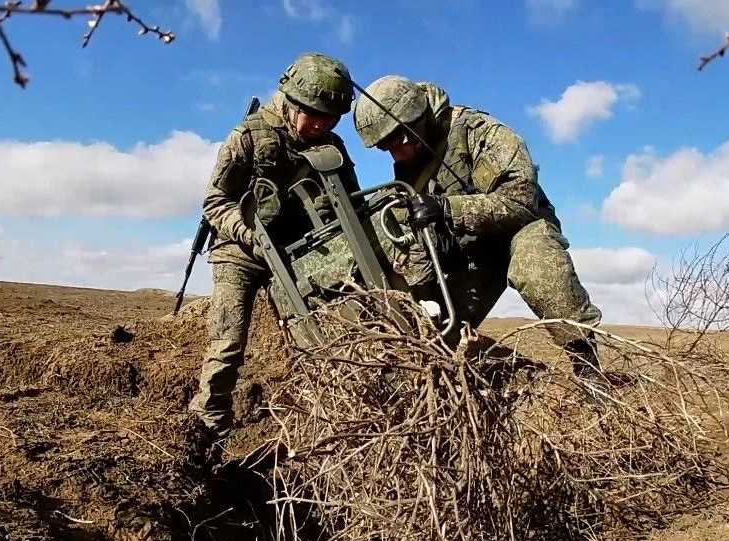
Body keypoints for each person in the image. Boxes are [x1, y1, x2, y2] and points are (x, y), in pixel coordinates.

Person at [352, 75, 604, 382]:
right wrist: (420, 289)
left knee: (537, 268)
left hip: (519, 231)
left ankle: (588, 369)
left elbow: (521, 202)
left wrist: (448, 209)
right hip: (472, 253)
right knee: (441, 337)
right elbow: (418, 241)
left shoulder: (479, 132)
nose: (399, 152)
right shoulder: (409, 168)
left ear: (418, 116)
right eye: (387, 148)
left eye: (402, 138)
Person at [189, 53, 359, 438]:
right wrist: (250, 236)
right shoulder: (248, 136)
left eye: (330, 118)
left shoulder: (334, 148)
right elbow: (216, 202)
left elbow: (350, 204)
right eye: (312, 114)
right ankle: (207, 426)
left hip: (301, 253)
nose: (320, 125)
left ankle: (319, 424)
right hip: (241, 253)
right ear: (292, 101)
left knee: (318, 334)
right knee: (228, 342)